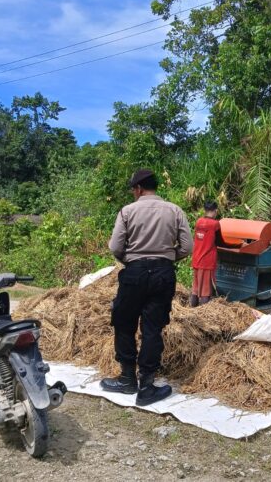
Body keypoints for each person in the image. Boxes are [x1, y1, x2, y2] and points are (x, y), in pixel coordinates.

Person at [102, 169, 193, 406]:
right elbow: (187, 246)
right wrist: (166, 259)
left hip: (134, 273)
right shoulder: (175, 210)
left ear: (139, 188)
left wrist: (131, 261)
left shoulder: (128, 211)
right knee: (153, 327)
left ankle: (127, 379)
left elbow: (115, 247)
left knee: (123, 323)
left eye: (133, 189)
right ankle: (147, 386)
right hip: (163, 274)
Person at [190, 200, 221, 307]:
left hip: (197, 258)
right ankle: (204, 315)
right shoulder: (215, 224)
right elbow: (220, 242)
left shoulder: (199, 222)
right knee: (205, 291)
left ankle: (192, 309)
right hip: (207, 260)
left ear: (205, 210)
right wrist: (239, 245)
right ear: (216, 211)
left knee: (195, 288)